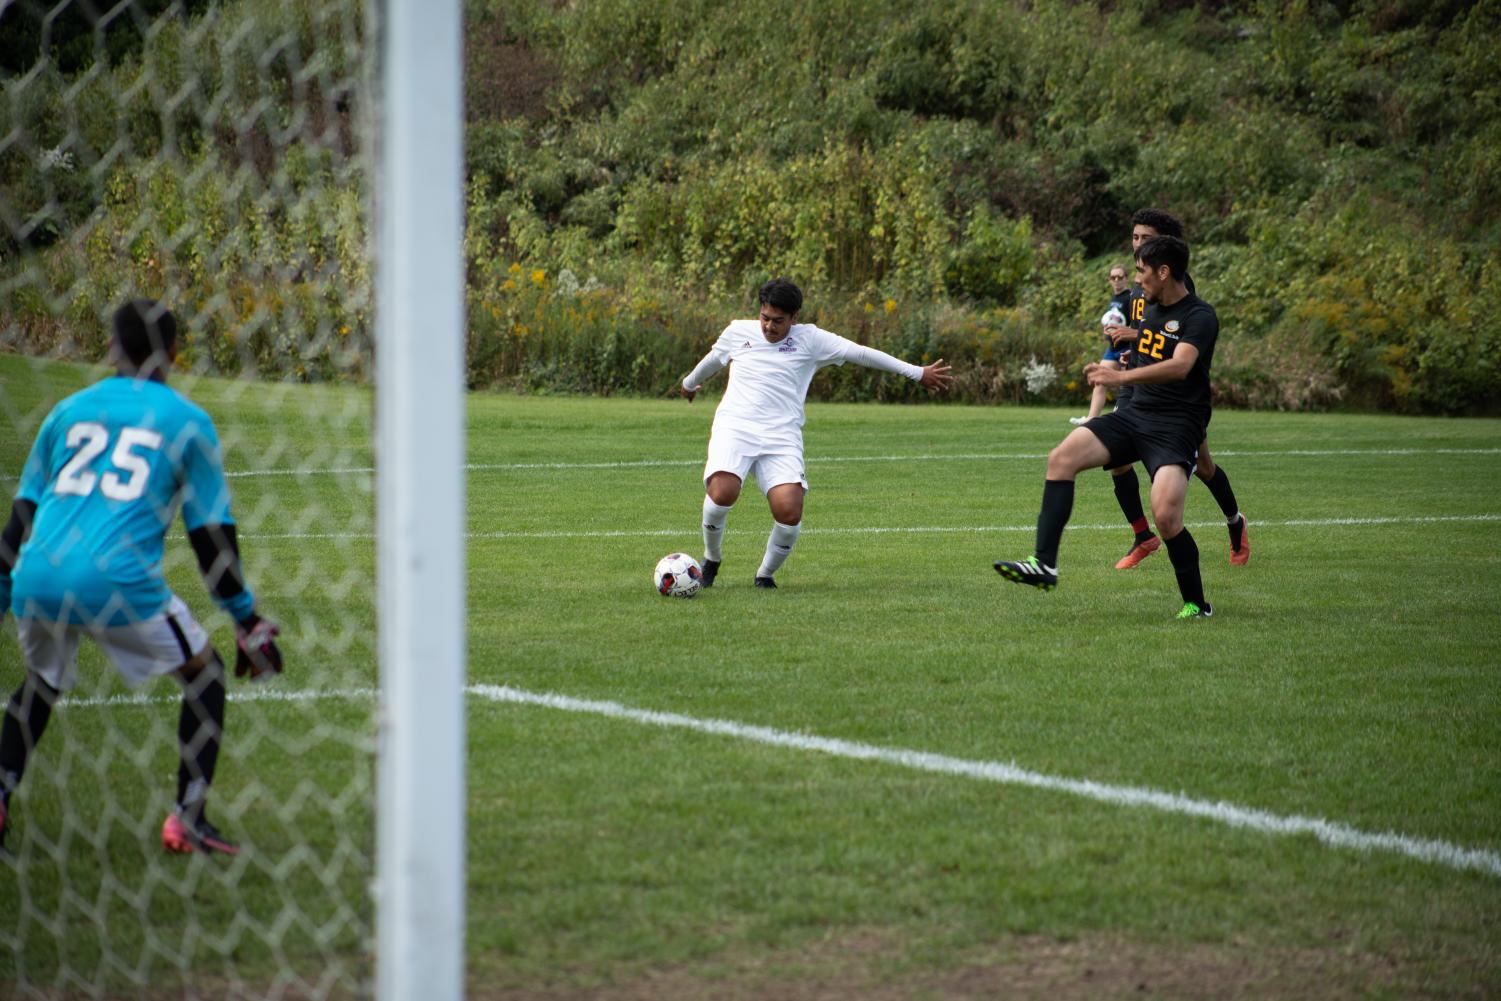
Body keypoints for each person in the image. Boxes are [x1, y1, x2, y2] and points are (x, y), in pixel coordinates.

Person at [0, 299, 283, 856]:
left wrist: (5, 586)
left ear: (113, 349)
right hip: (116, 582)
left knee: (41, 681)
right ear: (174, 353)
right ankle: (188, 818)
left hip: (38, 576)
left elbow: (20, 518)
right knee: (205, 675)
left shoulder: (68, 411)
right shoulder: (186, 421)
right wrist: (245, 617)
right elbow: (210, 539)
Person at [995, 235, 1217, 619]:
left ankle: (1197, 604)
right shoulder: (1148, 309)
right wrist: (1113, 368)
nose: (1137, 280)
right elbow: (1145, 358)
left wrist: (1121, 381)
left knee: (1166, 516)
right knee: (1061, 459)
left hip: (1176, 427)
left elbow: (1181, 366)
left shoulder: (1200, 316)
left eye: (1142, 271)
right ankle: (1044, 564)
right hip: (1135, 416)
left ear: (1164, 272)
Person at [681, 278, 952, 588]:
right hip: (736, 427)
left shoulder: (811, 339)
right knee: (722, 492)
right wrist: (689, 384)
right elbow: (713, 360)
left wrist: (917, 373)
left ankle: (765, 575)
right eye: (765, 318)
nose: (769, 327)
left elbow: (860, 353)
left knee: (789, 511)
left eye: (778, 321)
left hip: (781, 436)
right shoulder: (737, 331)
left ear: (794, 318)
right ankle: (711, 559)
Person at [1101, 209, 1249, 570]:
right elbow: (1148, 335)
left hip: (1178, 396)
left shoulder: (1179, 284)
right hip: (1138, 385)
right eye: (1135, 238)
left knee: (1204, 466)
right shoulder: (1139, 285)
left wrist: (1136, 337)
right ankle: (1142, 536)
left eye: (1146, 239)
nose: (1138, 245)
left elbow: (1178, 336)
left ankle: (1235, 522)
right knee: (1116, 459)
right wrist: (1131, 355)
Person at [1070, 264, 1133, 426]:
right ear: (1109, 280)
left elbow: (1136, 325)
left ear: (1126, 278)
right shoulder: (1114, 299)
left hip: (1126, 348)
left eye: (1120, 277)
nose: (1117, 280)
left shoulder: (1130, 298)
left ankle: (1123, 415)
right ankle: (1091, 419)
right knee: (1100, 380)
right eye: (1113, 277)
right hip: (1112, 348)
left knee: (1128, 384)